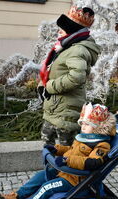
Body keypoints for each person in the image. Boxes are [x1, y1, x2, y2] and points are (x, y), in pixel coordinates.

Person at [0, 103, 116, 199]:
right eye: (82, 123)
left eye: (88, 124)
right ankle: (16, 196)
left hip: (76, 179)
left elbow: (93, 162)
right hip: (65, 172)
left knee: (47, 187)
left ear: (98, 126)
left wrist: (67, 160)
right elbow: (71, 150)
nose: (83, 127)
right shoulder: (84, 137)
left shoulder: (101, 144)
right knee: (39, 177)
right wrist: (57, 149)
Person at [38, 6, 101, 146]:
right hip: (55, 109)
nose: (58, 32)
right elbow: (54, 70)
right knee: (49, 151)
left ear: (70, 31)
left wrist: (49, 86)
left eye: (61, 29)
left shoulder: (77, 50)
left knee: (65, 156)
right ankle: (51, 168)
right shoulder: (66, 47)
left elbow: (76, 78)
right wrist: (42, 86)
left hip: (65, 112)